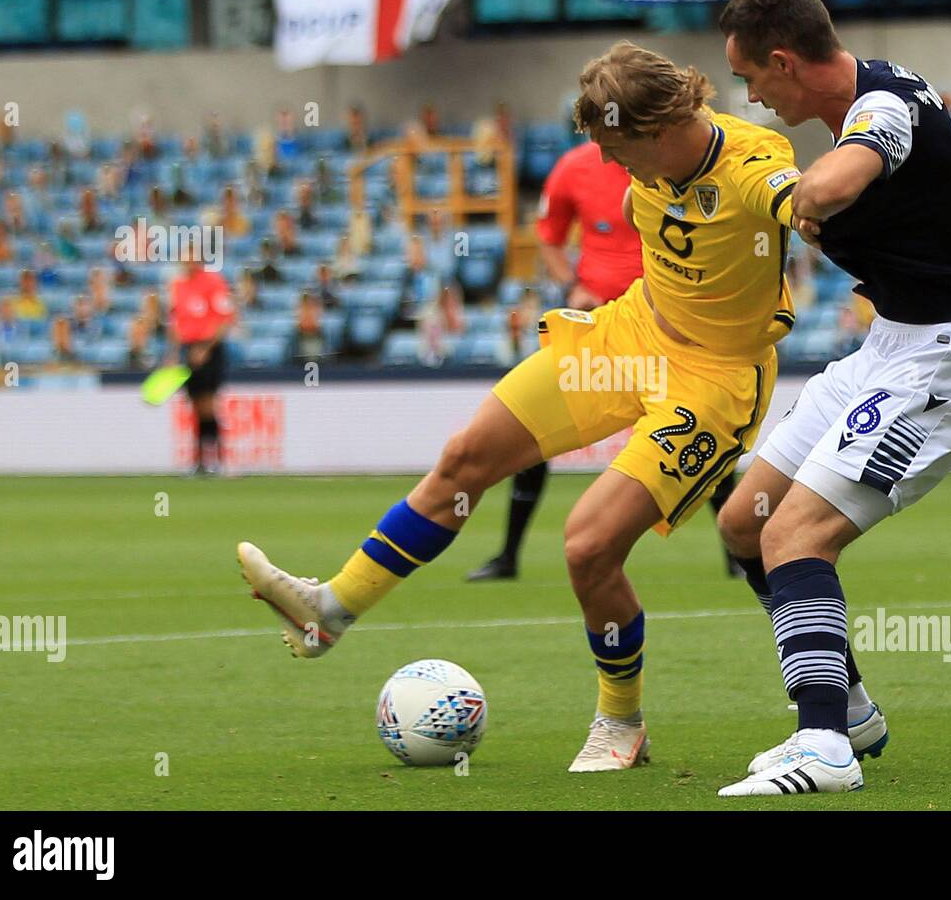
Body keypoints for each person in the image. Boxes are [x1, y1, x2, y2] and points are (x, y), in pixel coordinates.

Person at [237, 41, 803, 775]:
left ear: (659, 132)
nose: (607, 165)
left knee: (588, 546)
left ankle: (621, 723)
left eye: (614, 148)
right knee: (466, 459)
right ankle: (331, 610)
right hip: (630, 332)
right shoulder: (649, 167)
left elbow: (806, 200)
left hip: (713, 381)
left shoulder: (756, 166)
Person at [714, 0, 951, 797]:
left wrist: (804, 199)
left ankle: (824, 748)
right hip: (887, 348)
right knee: (747, 523)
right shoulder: (865, 100)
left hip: (941, 359)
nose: (751, 94)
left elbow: (838, 182)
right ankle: (846, 711)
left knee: (795, 537)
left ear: (783, 61)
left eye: (750, 77)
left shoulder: (882, 106)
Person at [468, 140, 742, 583]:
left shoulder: (675, 161)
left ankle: (736, 553)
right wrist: (573, 285)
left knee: (695, 431)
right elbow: (549, 240)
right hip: (599, 328)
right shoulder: (572, 169)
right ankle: (508, 556)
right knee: (537, 428)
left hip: (665, 329)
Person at [168, 250, 236, 475]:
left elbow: (224, 318)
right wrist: (174, 353)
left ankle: (219, 459)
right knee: (195, 406)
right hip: (189, 350)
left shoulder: (213, 282)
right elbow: (177, 322)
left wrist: (205, 348)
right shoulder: (178, 285)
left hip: (209, 350)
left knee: (208, 404)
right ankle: (198, 462)